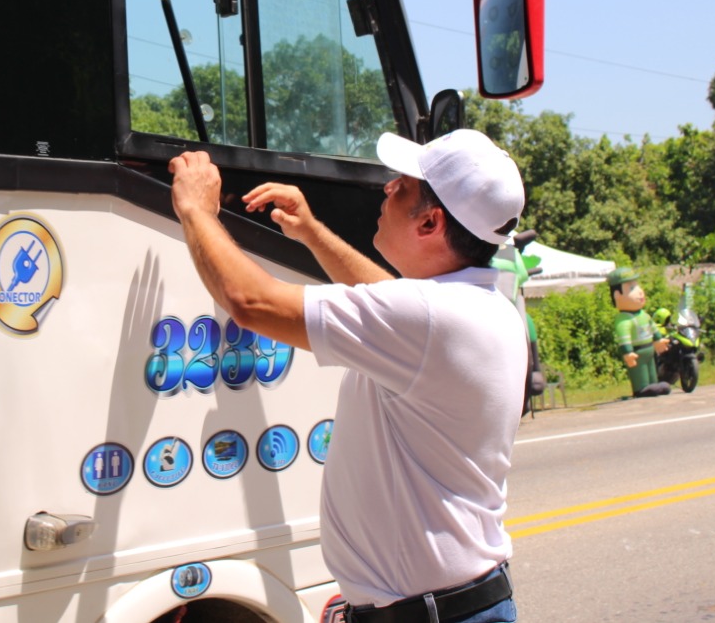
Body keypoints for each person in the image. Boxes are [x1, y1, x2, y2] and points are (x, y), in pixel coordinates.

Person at [169, 128, 527, 622]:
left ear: (430, 222)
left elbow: (251, 302)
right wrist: (311, 232)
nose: (386, 188)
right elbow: (390, 300)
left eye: (401, 185)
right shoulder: (482, 307)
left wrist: (196, 210)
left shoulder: (429, 319)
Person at [607, 267, 670, 397]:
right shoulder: (623, 319)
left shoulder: (643, 315)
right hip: (637, 352)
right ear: (617, 296)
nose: (640, 292)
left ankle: (654, 384)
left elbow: (652, 327)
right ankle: (641, 388)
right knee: (640, 371)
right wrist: (627, 352)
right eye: (631, 288)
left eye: (637, 286)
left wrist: (658, 339)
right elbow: (623, 337)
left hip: (649, 349)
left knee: (652, 370)